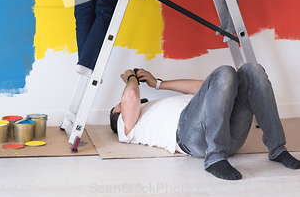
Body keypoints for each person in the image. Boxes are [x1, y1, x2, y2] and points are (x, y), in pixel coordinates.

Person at [110, 65, 300, 180]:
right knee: (224, 71)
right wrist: (131, 78)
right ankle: (215, 158)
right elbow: (132, 94)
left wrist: (158, 84)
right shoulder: (125, 126)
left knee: (252, 70)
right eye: (119, 104)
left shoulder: (154, 106)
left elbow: (208, 85)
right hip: (191, 138)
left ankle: (277, 149)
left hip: (227, 136)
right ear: (117, 111)